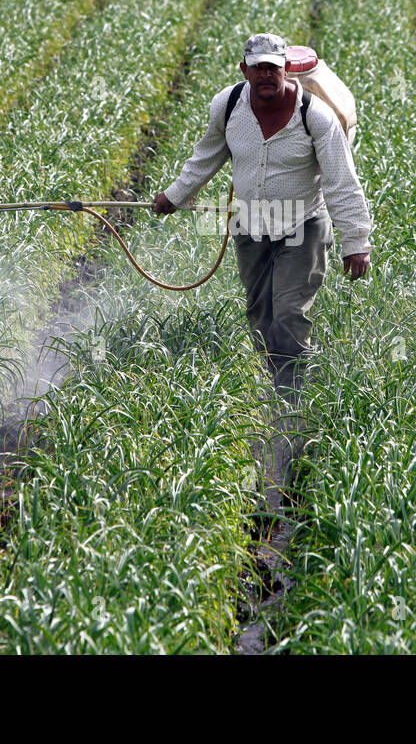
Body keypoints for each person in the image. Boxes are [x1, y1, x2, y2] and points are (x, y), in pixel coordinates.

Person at [152, 33, 373, 522]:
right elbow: (207, 156)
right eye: (259, 69)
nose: (268, 76)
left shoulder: (314, 116)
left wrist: (356, 241)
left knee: (289, 314)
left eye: (275, 68)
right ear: (245, 69)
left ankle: (293, 400)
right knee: (260, 315)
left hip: (302, 227)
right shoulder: (228, 105)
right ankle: (276, 380)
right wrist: (175, 195)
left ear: (286, 71)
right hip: (249, 226)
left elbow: (341, 180)